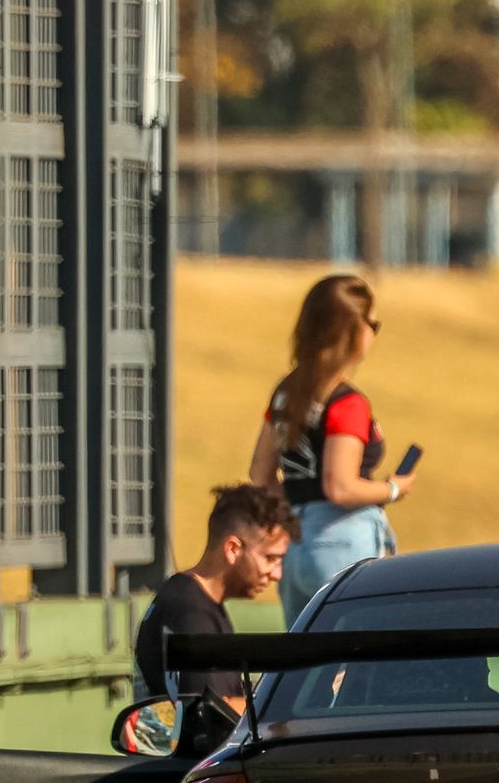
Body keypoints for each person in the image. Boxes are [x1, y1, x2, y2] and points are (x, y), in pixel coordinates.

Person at [244, 274, 407, 625]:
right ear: (351, 329)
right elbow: (340, 486)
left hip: (296, 546)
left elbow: (260, 474)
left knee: (306, 666)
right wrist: (392, 489)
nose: (374, 333)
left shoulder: (285, 392)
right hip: (342, 541)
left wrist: (292, 521)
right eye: (372, 324)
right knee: (353, 662)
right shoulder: (347, 402)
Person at [136, 484, 294, 714]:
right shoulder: (191, 614)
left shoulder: (191, 599)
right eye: (271, 558)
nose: (277, 574)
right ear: (232, 549)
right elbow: (214, 713)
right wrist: (296, 703)